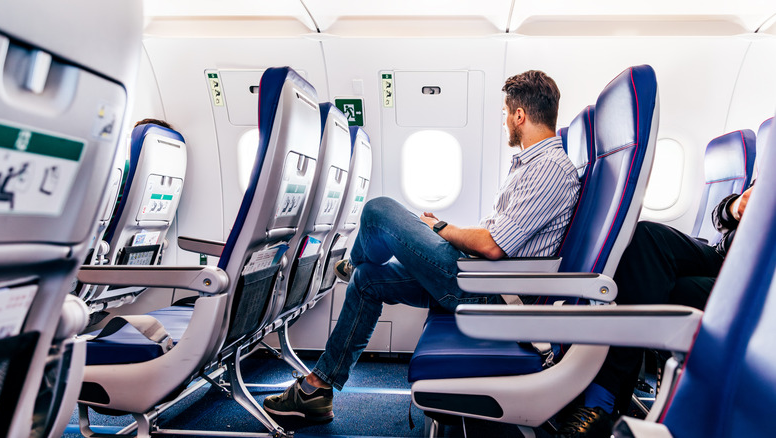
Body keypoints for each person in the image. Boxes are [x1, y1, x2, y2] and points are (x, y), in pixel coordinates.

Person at [262, 70, 581, 421]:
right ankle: (317, 389)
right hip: (477, 275)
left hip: (487, 289)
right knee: (368, 280)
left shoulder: (549, 168)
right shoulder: (530, 165)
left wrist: (441, 228)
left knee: (378, 210)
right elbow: (499, 237)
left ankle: (353, 261)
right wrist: (439, 231)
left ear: (520, 115)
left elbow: (493, 246)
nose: (506, 122)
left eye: (507, 114)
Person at [555, 183, 755, 438]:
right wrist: (735, 207)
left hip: (758, 278)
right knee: (646, 236)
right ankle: (602, 397)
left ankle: (600, 400)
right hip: (724, 256)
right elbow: (720, 217)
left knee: (659, 287)